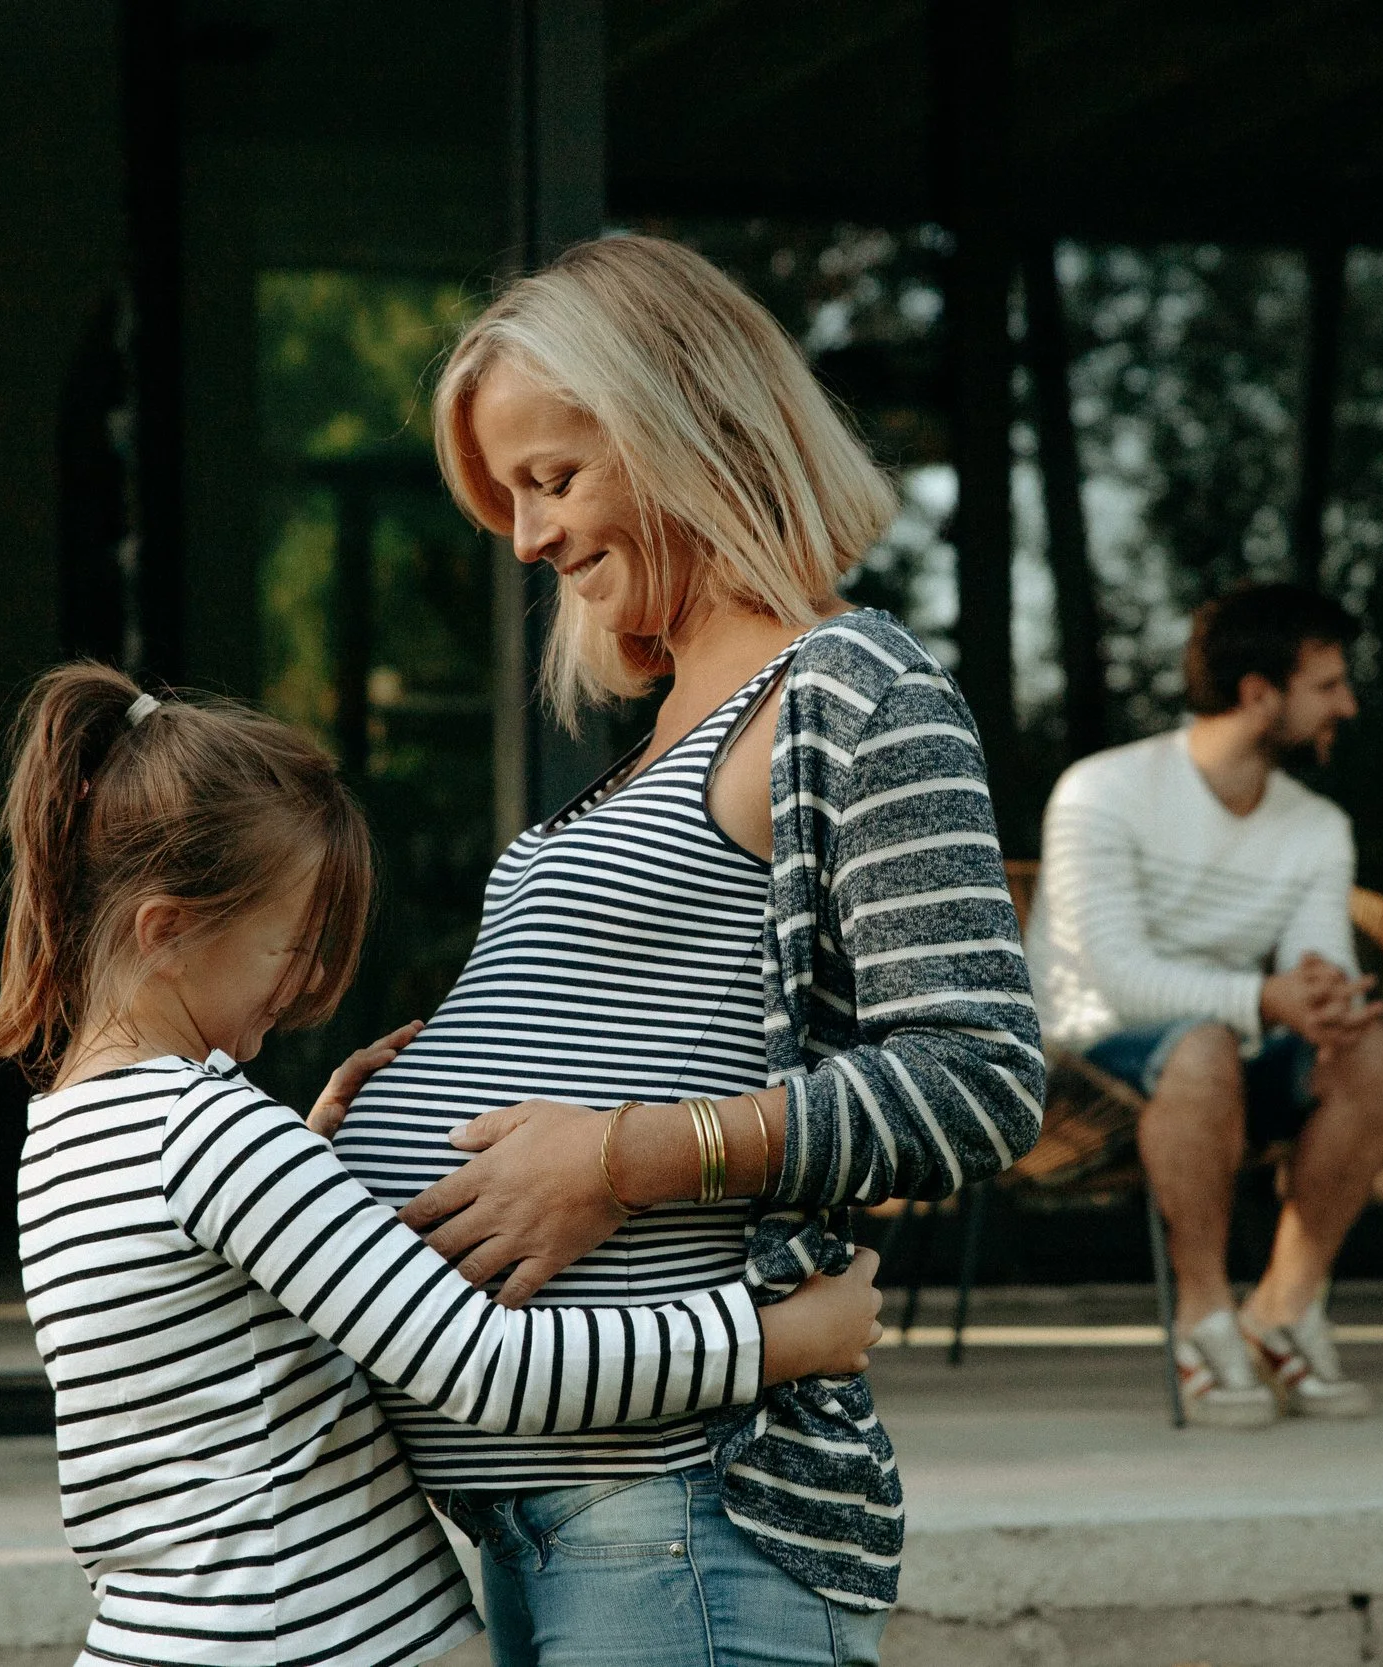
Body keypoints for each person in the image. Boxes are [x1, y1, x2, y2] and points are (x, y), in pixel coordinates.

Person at [331, 234, 1043, 1667]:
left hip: (691, 1516)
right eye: (509, 501)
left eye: (553, 478)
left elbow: (979, 1076)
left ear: (688, 426)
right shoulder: (652, 743)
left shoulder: (855, 687)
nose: (528, 540)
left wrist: (622, 1159)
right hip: (564, 1516)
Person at [0, 662, 885, 1667]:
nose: (309, 983)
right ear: (168, 931)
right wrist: (775, 1336)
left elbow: (214, 1364)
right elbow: (489, 1368)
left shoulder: (68, 1125)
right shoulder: (209, 1134)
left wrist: (306, 1165)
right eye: (292, 945)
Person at [1027, 583, 1383, 1428]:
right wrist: (1265, 998)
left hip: (1224, 1049)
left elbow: (1317, 964)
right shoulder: (1105, 790)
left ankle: (1282, 1309)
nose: (1345, 703)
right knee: (1200, 1046)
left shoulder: (1315, 824)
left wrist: (1331, 1003)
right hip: (1083, 1055)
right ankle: (1204, 1314)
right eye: (1328, 684)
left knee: (1373, 1053)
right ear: (1257, 692)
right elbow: (1117, 978)